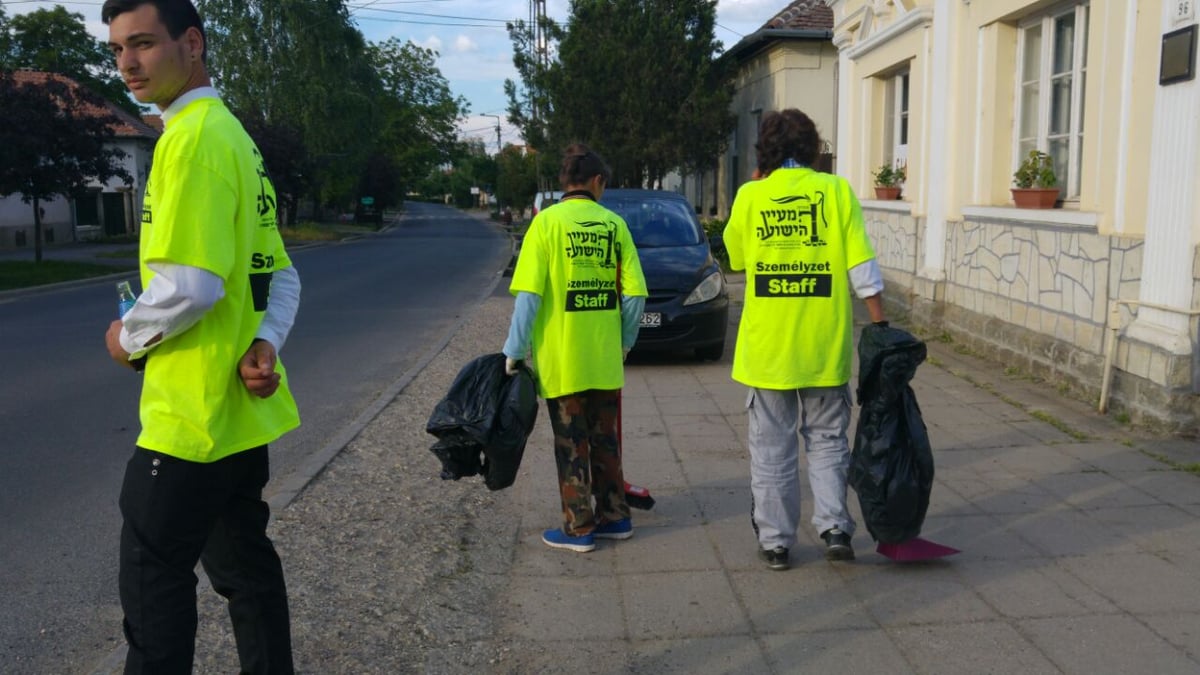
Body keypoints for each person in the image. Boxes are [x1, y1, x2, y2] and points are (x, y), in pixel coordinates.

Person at [101, 0, 301, 671]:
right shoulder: (235, 138)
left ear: (192, 42)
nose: (127, 63)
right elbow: (282, 275)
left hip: (187, 425)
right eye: (117, 49)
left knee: (152, 594)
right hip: (238, 423)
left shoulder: (190, 140)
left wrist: (127, 338)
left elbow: (193, 286)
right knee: (249, 580)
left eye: (143, 44)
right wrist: (266, 342)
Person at [723, 109, 887, 571]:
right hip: (822, 345)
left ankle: (776, 541)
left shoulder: (751, 195)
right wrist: (881, 325)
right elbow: (862, 267)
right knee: (830, 439)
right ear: (813, 147)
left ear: (766, 150)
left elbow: (736, 257)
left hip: (768, 348)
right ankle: (835, 528)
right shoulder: (835, 191)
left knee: (772, 445)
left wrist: (757, 187)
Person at [503, 144, 648, 553]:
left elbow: (529, 296)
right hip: (604, 358)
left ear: (565, 183)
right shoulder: (614, 225)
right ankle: (616, 517)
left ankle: (579, 527)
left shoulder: (546, 225)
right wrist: (625, 341)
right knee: (606, 440)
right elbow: (635, 295)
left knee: (571, 444)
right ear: (598, 182)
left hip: (563, 361)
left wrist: (513, 351)